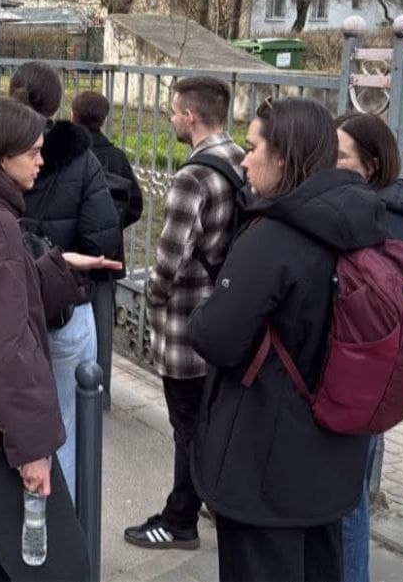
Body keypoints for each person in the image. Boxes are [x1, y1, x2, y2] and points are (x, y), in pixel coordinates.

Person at [189, 97, 386, 582]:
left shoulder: (273, 237)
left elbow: (216, 338)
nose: (243, 158)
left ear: (283, 155)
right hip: (331, 460)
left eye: (254, 146)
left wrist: (203, 315)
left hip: (265, 468)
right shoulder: (360, 223)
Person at [0, 97, 120, 581]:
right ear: (2, 156)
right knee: (61, 568)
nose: (42, 161)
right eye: (34, 152)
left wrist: (57, 267)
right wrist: (33, 451)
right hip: (3, 434)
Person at [124, 76, 244, 551]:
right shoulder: (239, 159)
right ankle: (215, 497)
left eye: (173, 110)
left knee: (187, 427)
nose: (170, 117)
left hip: (187, 325)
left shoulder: (192, 177)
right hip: (227, 316)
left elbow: (168, 261)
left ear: (190, 116)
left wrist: (151, 297)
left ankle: (179, 520)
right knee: (213, 420)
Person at [8, 62, 120, 500]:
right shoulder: (83, 159)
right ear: (58, 104)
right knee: (66, 428)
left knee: (13, 426)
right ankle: (64, 529)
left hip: (8, 311)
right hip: (63, 311)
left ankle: (20, 525)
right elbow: (101, 237)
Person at [334, 112, 403, 582]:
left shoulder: (379, 220)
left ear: (370, 167)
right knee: (349, 496)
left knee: (348, 503)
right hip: (369, 378)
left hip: (357, 378)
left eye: (338, 156)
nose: (326, 165)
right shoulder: (395, 211)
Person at [69, 89, 143, 404]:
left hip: (71, 254)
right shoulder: (116, 157)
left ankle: (71, 388)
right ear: (105, 118)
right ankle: (101, 393)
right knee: (102, 325)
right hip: (106, 257)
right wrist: (110, 230)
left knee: (68, 324)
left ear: (72, 115)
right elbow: (136, 205)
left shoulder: (67, 155)